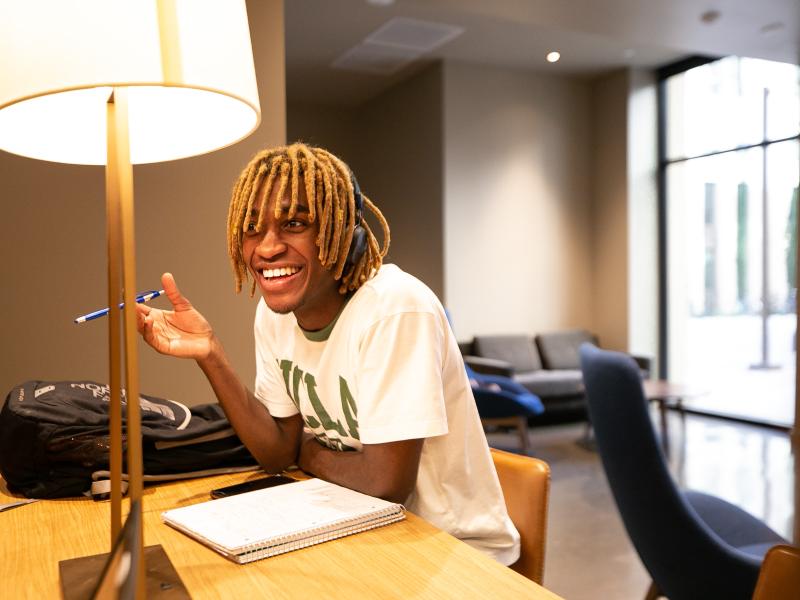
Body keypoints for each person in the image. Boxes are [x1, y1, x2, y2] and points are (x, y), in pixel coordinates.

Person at [136, 142, 520, 565]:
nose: (266, 248)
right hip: (361, 531)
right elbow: (277, 451)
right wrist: (210, 353)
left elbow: (384, 482)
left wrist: (308, 450)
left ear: (342, 232)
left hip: (454, 551)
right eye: (251, 228)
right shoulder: (273, 314)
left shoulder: (394, 307)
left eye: (294, 223)